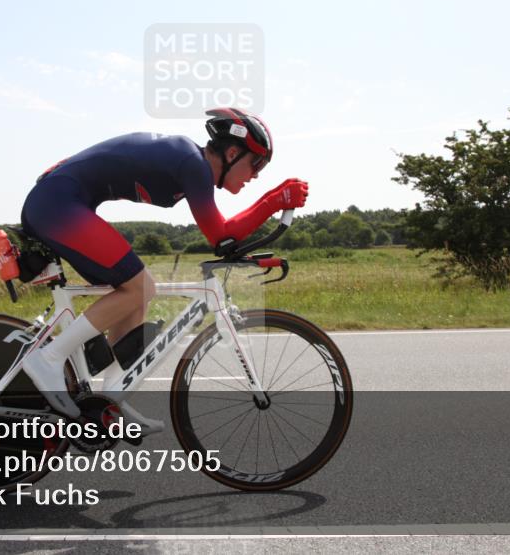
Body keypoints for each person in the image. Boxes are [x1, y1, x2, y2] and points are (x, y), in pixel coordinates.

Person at [20, 108, 309, 433]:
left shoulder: (191, 164)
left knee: (134, 294)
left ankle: (111, 400)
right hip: (56, 202)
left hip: (60, 200)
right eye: (256, 164)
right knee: (141, 286)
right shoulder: (193, 163)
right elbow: (220, 236)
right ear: (232, 153)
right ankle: (49, 358)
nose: (256, 175)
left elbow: (224, 238)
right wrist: (274, 200)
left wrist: (272, 203)